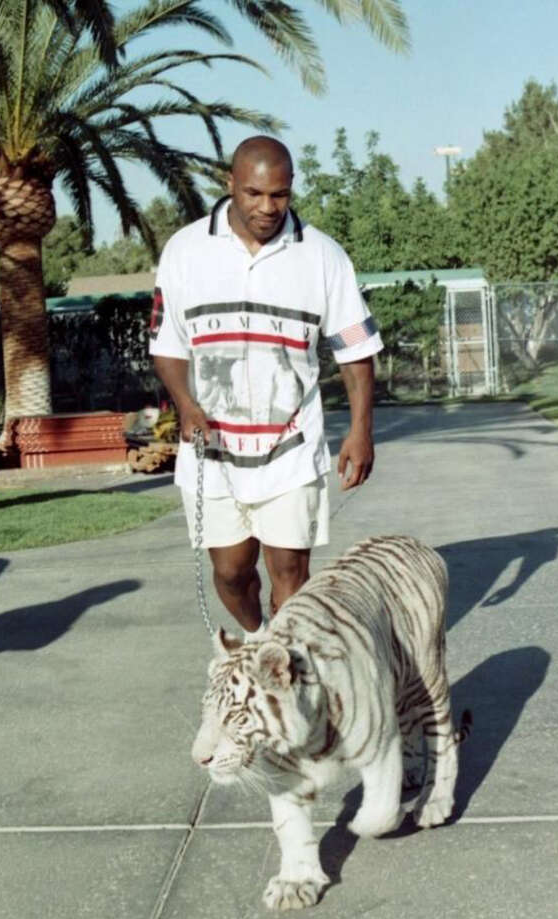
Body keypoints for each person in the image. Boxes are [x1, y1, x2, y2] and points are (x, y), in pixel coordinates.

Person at [150, 136, 381, 637]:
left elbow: (356, 351)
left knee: (291, 578)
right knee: (231, 573)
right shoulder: (186, 251)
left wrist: (361, 430)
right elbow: (167, 345)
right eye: (253, 193)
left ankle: (288, 668)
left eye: (279, 195)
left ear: (292, 189)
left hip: (291, 447)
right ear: (230, 184)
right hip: (212, 449)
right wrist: (186, 404)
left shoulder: (323, 256)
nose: (267, 207)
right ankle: (259, 643)